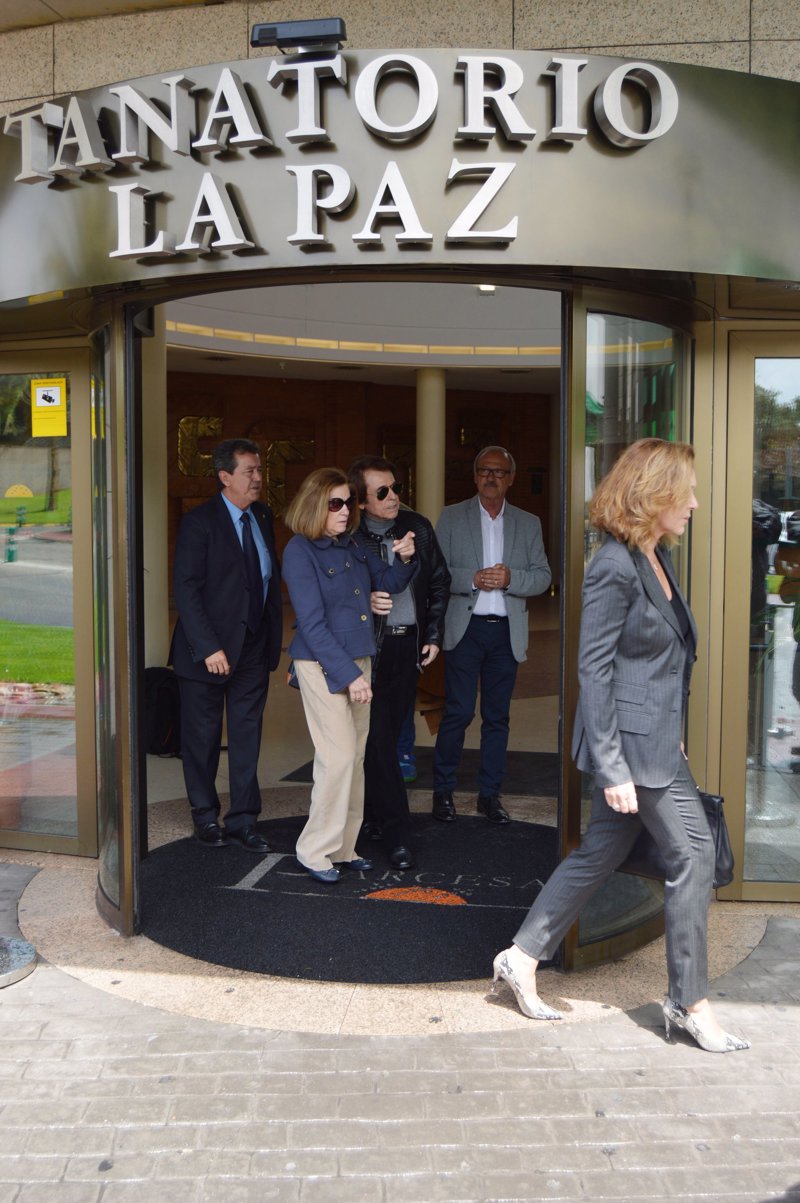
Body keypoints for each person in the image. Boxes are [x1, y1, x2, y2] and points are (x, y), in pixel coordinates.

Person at [491, 438, 750, 1054]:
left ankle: (521, 956)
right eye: (685, 491)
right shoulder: (613, 564)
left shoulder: (654, 557)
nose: (693, 503)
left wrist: (673, 725)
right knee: (694, 857)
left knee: (599, 854)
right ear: (652, 494)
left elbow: (662, 661)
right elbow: (595, 670)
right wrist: (612, 768)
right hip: (633, 753)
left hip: (656, 740)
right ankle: (688, 1001)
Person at [282, 467, 417, 883]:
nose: (345, 510)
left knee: (355, 758)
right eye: (335, 503)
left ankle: (343, 846)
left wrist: (405, 558)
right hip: (323, 664)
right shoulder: (299, 551)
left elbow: (388, 581)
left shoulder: (353, 544)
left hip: (360, 658)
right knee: (338, 757)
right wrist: (350, 677)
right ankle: (314, 850)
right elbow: (312, 624)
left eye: (347, 502)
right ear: (315, 505)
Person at [170, 437, 282, 851]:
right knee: (201, 738)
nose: (258, 477)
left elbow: (266, 579)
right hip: (207, 650)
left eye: (259, 469)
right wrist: (209, 647)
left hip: (252, 645)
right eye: (249, 471)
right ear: (224, 476)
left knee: (247, 735)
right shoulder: (199, 522)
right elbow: (186, 588)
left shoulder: (263, 516)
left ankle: (244, 820)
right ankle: (205, 816)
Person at [432, 445, 551, 825]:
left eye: (499, 472)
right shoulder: (452, 517)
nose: (491, 477)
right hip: (465, 632)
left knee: (497, 718)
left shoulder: (528, 523)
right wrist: (472, 578)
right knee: (458, 713)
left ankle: (490, 796)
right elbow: (435, 572)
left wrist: (512, 579)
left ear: (510, 479)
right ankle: (443, 792)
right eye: (485, 470)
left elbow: (544, 576)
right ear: (475, 476)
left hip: (506, 634)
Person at [348, 455, 451, 869]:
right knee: (376, 738)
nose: (393, 497)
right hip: (369, 649)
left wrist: (433, 634)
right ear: (361, 500)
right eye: (382, 491)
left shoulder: (418, 528)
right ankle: (398, 834)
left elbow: (440, 581)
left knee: (387, 738)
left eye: (396, 487)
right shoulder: (350, 536)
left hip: (408, 646)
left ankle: (374, 815)